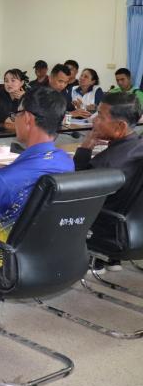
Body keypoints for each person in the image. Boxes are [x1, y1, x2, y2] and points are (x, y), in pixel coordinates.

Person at [0, 87, 74, 327]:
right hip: (52, 253)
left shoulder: (4, 179)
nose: (14, 119)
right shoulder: (66, 162)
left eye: (16, 114)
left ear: (28, 118)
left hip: (6, 259)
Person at [73, 91, 143, 272]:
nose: (94, 121)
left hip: (106, 229)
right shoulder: (137, 147)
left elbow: (75, 191)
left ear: (120, 126)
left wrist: (85, 148)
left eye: (101, 117)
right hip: (134, 230)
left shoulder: (107, 163)